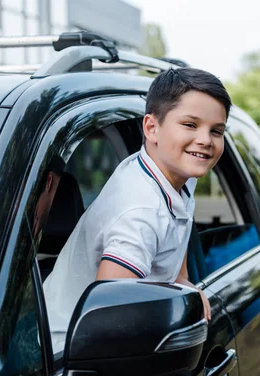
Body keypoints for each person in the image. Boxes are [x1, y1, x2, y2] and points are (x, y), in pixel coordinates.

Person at [43, 68, 231, 352]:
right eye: (190, 125)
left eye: (216, 131)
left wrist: (184, 285)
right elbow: (108, 318)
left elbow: (176, 241)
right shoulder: (140, 214)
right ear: (151, 128)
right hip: (66, 353)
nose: (206, 139)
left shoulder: (172, 173)